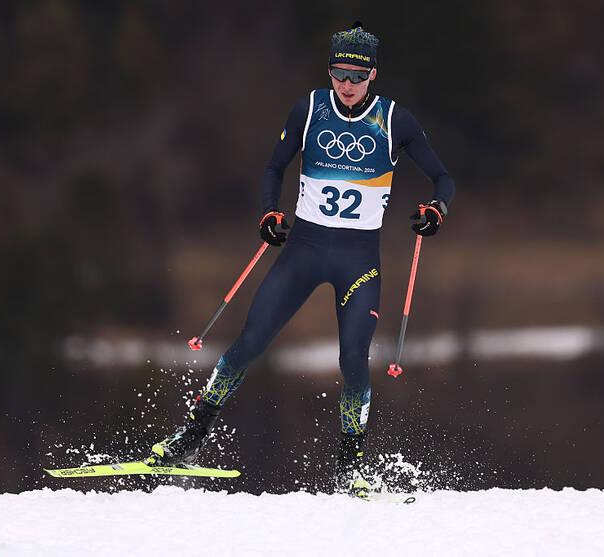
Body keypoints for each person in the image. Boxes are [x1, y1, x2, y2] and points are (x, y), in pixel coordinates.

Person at [146, 22, 456, 497]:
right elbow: (274, 167)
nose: (346, 85)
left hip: (359, 261)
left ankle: (350, 468)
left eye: (355, 75)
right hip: (304, 252)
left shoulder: (395, 120)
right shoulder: (310, 109)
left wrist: (436, 209)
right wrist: (270, 212)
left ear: (372, 74)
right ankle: (188, 441)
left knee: (353, 358)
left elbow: (443, 179)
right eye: (338, 73)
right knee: (249, 343)